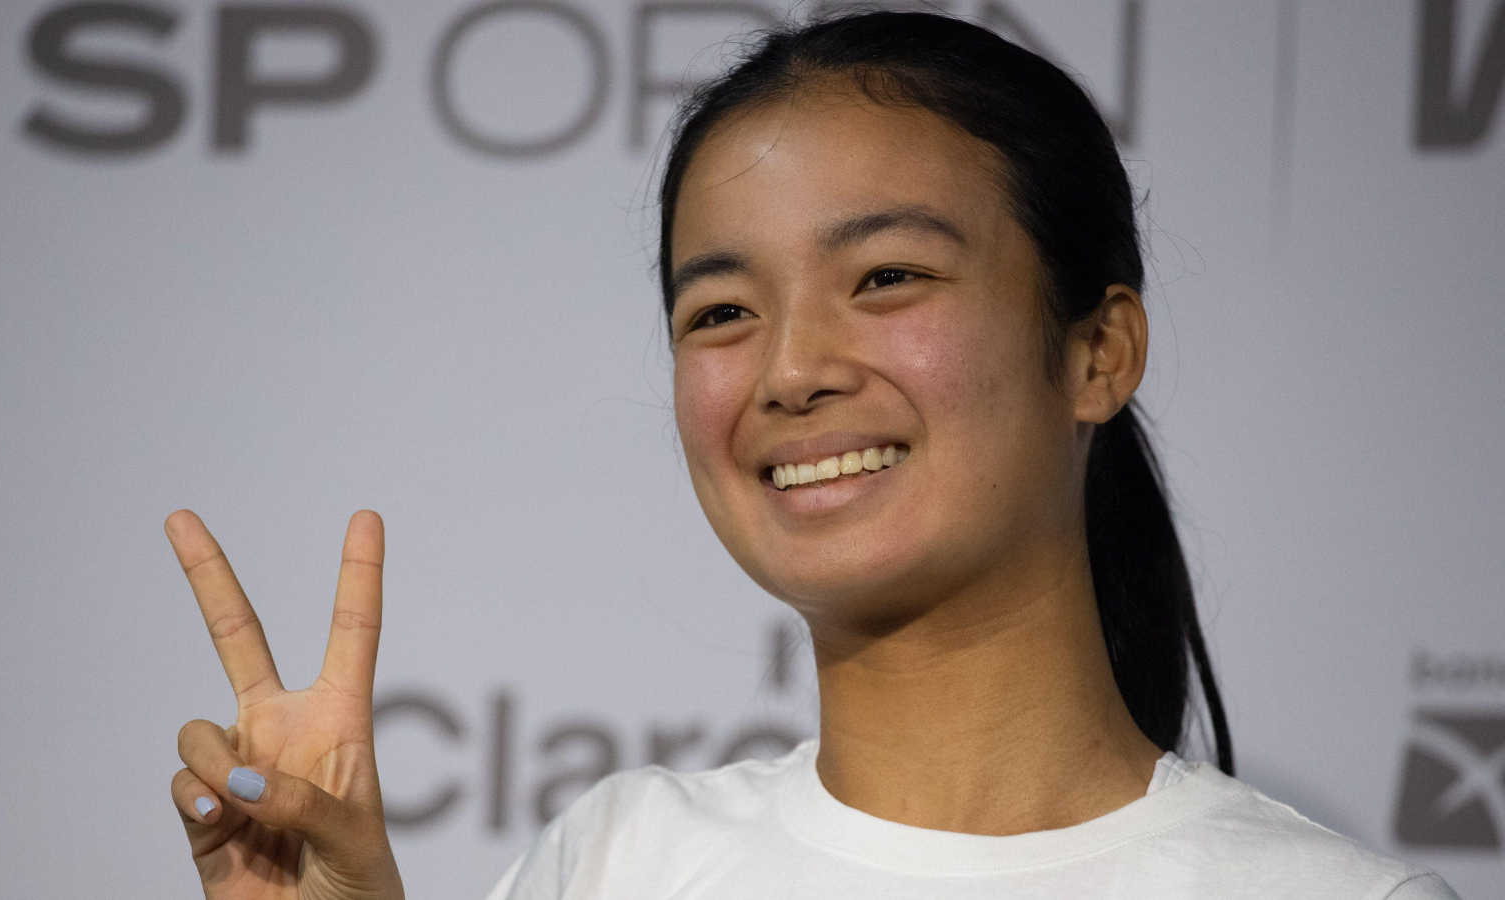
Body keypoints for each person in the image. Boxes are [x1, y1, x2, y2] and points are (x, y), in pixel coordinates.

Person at [164, 11, 1460, 899]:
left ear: (1098, 352)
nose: (791, 371)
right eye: (722, 311)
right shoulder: (617, 864)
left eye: (886, 276)